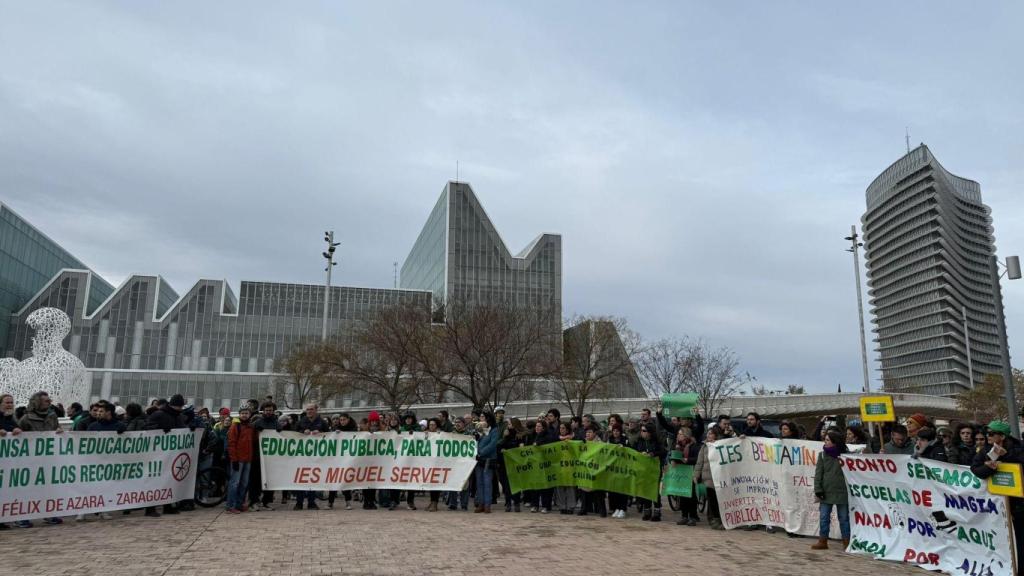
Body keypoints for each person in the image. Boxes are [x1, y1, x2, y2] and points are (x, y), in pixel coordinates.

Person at [971, 420, 1024, 569]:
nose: (988, 436)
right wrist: (989, 467)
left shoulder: (1019, 447)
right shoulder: (986, 449)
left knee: (1019, 537)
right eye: (987, 433)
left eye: (991, 434)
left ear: (1002, 436)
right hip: (997, 501)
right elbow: (975, 469)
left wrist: (1006, 457)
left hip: (1018, 501)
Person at [14, 391, 64, 527]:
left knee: (48, 488)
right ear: (37, 402)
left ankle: (48, 513)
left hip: (48, 459)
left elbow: (55, 429)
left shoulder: (52, 416)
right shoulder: (26, 418)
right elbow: (18, 437)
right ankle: (22, 516)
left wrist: (59, 431)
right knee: (28, 489)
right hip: (30, 460)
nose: (49, 403)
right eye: (46, 401)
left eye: (49, 400)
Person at [144, 394, 187, 517]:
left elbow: (182, 429)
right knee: (154, 481)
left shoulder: (178, 417)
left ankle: (167, 506)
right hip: (156, 455)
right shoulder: (159, 414)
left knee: (169, 480)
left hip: (171, 455)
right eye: (177, 406)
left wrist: (191, 430)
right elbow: (147, 427)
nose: (179, 408)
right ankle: (150, 508)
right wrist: (161, 429)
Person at [812, 429, 850, 550]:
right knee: (824, 517)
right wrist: (818, 489)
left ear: (835, 442)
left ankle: (847, 541)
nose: (825, 442)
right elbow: (818, 474)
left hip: (842, 491)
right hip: (826, 491)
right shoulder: (822, 455)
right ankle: (823, 540)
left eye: (828, 440)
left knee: (844, 518)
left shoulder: (846, 455)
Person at [295, 403, 329, 510]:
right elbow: (293, 435)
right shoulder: (301, 422)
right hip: (302, 455)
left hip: (316, 456)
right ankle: (299, 502)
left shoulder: (322, 422)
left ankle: (311, 502)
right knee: (301, 479)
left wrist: (321, 433)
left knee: (313, 478)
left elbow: (329, 435)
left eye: (311, 409)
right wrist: (301, 432)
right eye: (307, 409)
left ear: (316, 410)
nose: (309, 411)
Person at [250, 401, 281, 510]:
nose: (269, 412)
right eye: (267, 410)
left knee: (270, 480)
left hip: (271, 458)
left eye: (271, 410)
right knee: (256, 480)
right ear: (263, 411)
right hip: (258, 456)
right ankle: (254, 501)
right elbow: (250, 437)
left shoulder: (277, 423)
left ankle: (267, 501)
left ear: (273, 411)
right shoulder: (257, 423)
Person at [226, 406, 256, 514]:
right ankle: (231, 505)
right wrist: (234, 459)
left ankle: (239, 503)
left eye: (246, 413)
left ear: (250, 415)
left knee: (244, 483)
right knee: (234, 483)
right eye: (242, 413)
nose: (244, 415)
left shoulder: (251, 427)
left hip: (248, 459)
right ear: (239, 414)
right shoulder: (235, 426)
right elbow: (231, 443)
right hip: (238, 459)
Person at [633, 423, 664, 521]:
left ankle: (657, 512)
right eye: (641, 430)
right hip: (643, 469)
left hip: (654, 469)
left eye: (644, 431)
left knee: (654, 490)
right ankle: (647, 511)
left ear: (650, 432)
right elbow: (633, 451)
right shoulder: (639, 441)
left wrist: (652, 454)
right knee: (645, 489)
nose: (642, 433)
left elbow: (663, 452)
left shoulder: (656, 441)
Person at [694, 425, 724, 530]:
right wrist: (696, 475)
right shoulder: (704, 446)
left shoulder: (721, 446)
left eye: (711, 433)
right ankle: (715, 520)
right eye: (708, 433)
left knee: (719, 500)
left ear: (716, 435)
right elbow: (699, 462)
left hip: (719, 477)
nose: (708, 435)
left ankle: (720, 519)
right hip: (708, 478)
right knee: (712, 500)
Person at [328, 413, 357, 510]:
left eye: (344, 419)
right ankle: (330, 502)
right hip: (336, 459)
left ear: (348, 419)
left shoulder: (354, 429)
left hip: (347, 459)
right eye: (341, 420)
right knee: (333, 480)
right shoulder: (336, 430)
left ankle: (348, 502)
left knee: (345, 480)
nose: (342, 421)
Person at [672, 427, 701, 526]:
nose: (678, 436)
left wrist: (687, 460)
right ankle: (684, 516)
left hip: (691, 472)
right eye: (678, 434)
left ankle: (693, 516)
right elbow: (673, 455)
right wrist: (673, 461)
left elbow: (697, 459)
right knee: (682, 494)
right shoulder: (677, 446)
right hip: (681, 473)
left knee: (691, 495)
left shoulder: (694, 446)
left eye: (680, 434)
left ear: (686, 435)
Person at [498, 417, 527, 512]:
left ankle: (516, 502)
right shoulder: (506, 435)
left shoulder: (520, 436)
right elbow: (499, 446)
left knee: (515, 483)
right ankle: (508, 502)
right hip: (505, 464)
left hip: (515, 464)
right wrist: (504, 440)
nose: (508, 425)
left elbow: (521, 449)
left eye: (509, 424)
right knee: (506, 485)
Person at [474, 412, 499, 513]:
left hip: (488, 459)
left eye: (484, 418)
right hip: (479, 460)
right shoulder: (480, 431)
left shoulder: (494, 430)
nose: (482, 419)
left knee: (487, 482)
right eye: (481, 417)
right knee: (479, 482)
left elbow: (492, 445)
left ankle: (487, 504)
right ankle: (481, 503)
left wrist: (481, 452)